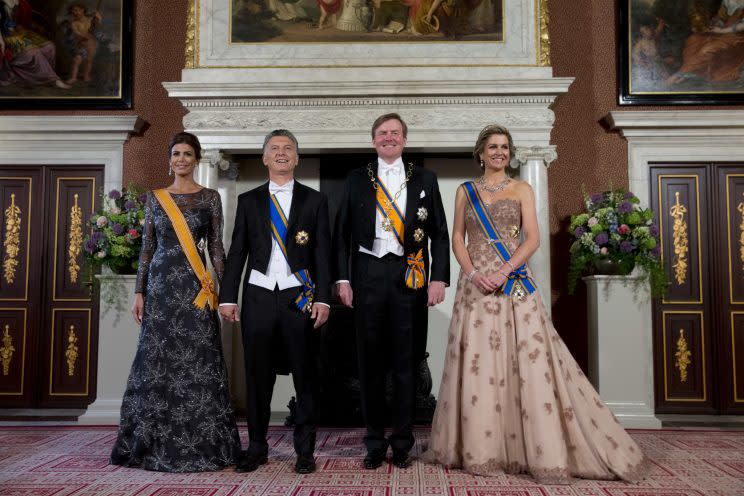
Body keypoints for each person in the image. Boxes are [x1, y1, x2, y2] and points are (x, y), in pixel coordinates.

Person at [420, 124, 649, 483]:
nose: (500, 152)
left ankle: (532, 446)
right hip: (475, 287)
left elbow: (533, 238)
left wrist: (504, 269)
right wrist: (474, 273)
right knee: (479, 366)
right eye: (493, 147)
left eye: (505, 147)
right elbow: (457, 239)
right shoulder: (466, 191)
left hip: (514, 285)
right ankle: (482, 448)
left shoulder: (522, 188)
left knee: (527, 363)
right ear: (480, 152)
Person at [110, 132, 241, 472]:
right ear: (169, 159)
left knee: (200, 360)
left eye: (187, 154)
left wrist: (227, 294)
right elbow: (147, 249)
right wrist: (139, 292)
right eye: (176, 153)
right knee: (158, 361)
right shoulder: (155, 199)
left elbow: (215, 249)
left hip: (196, 290)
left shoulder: (210, 198)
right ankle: (151, 443)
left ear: (196, 159)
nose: (181, 159)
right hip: (161, 289)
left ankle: (203, 444)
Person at [333, 113, 450, 469]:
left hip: (409, 276)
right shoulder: (356, 179)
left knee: (406, 362)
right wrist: (342, 279)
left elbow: (440, 234)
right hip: (367, 274)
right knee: (369, 363)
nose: (389, 137)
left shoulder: (424, 179)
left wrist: (439, 278)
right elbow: (341, 235)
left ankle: (401, 441)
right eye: (382, 133)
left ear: (404, 139)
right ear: (373, 141)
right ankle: (373, 442)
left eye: (395, 133)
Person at [219, 129, 331, 475]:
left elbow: (323, 254)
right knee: (257, 375)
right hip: (259, 297)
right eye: (274, 149)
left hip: (300, 297)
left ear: (296, 158)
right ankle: (256, 447)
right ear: (265, 158)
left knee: (305, 375)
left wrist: (324, 299)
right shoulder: (250, 200)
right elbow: (238, 252)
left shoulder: (315, 201)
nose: (281, 153)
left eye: (288, 149)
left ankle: (304, 450)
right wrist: (227, 297)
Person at [0, 0, 70, 89]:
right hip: (7, 36)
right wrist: (1, 41)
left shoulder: (21, 2)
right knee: (34, 52)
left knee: (50, 46)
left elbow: (24, 19)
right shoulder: (1, 3)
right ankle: (54, 80)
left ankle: (43, 79)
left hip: (20, 32)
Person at [63, 2, 103, 85]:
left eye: (76, 10)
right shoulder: (74, 23)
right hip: (80, 44)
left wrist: (98, 19)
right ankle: (73, 77)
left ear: (82, 10)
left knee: (89, 60)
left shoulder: (90, 20)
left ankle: (86, 76)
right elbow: (76, 33)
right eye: (73, 11)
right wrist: (83, 36)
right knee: (76, 60)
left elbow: (98, 27)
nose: (74, 12)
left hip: (91, 44)